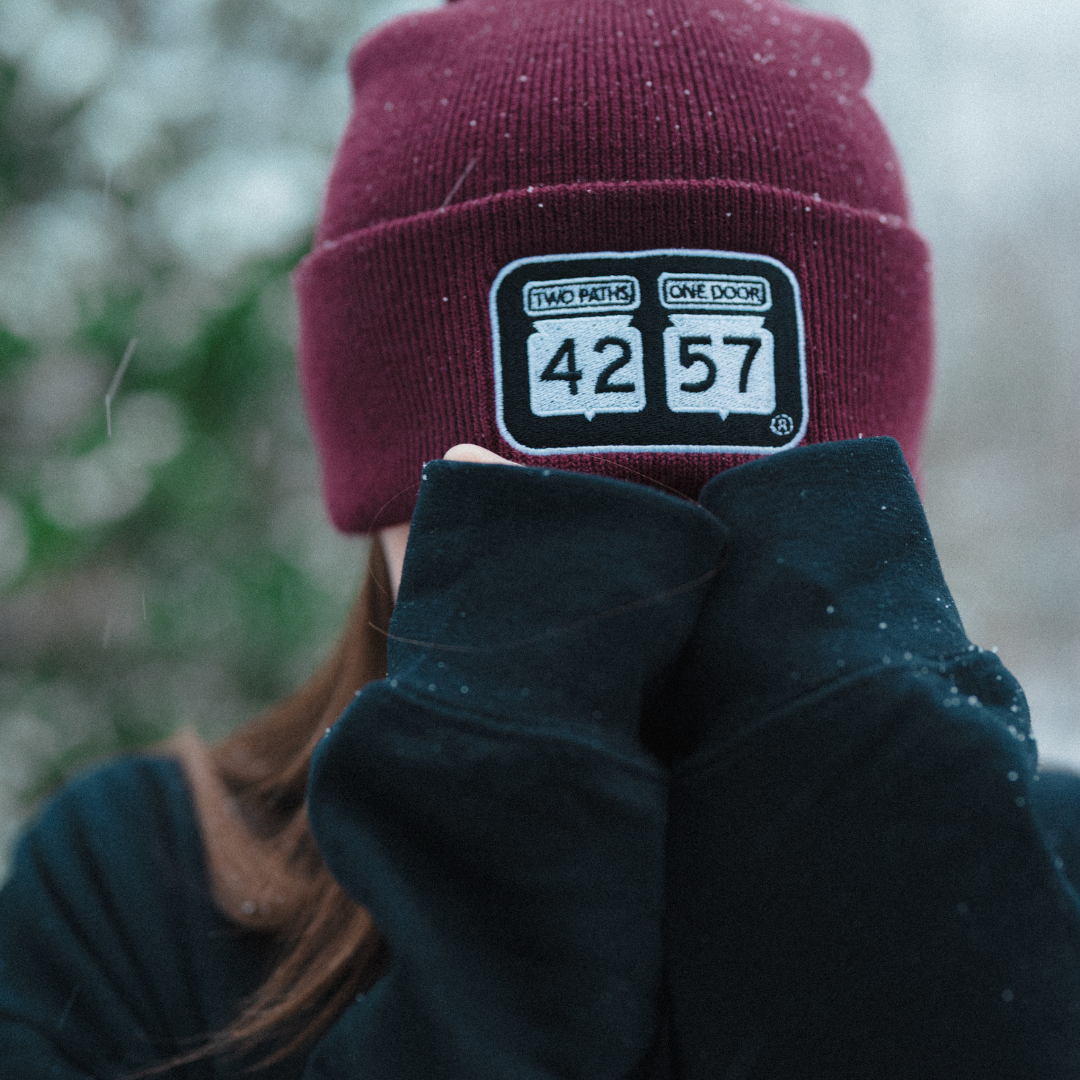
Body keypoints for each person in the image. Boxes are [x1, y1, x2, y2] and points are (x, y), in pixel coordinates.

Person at [2, 0, 1080, 1076]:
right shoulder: (146, 893)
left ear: (861, 503)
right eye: (534, 520)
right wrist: (492, 854)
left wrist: (899, 862)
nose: (641, 582)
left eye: (747, 502)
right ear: (384, 486)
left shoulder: (1046, 877)